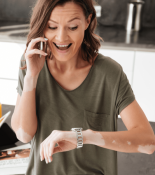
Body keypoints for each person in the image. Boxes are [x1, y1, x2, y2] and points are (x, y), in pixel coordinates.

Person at [11, 0, 155, 175]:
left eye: (72, 27)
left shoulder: (109, 73)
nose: (61, 38)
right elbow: (23, 135)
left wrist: (83, 137)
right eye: (52, 27)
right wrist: (31, 77)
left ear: (87, 22)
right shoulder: (31, 62)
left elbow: (148, 143)